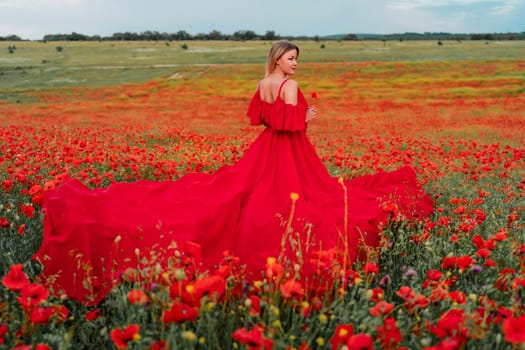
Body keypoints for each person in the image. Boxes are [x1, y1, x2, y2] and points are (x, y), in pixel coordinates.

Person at [34, 40, 433, 305]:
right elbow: (287, 125)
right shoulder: (291, 88)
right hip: (289, 153)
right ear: (279, 58)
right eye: (292, 58)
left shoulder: (262, 82)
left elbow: (260, 119)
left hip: (264, 151)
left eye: (297, 59)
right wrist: (306, 115)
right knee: (311, 199)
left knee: (235, 189)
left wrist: (292, 115)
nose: (296, 63)